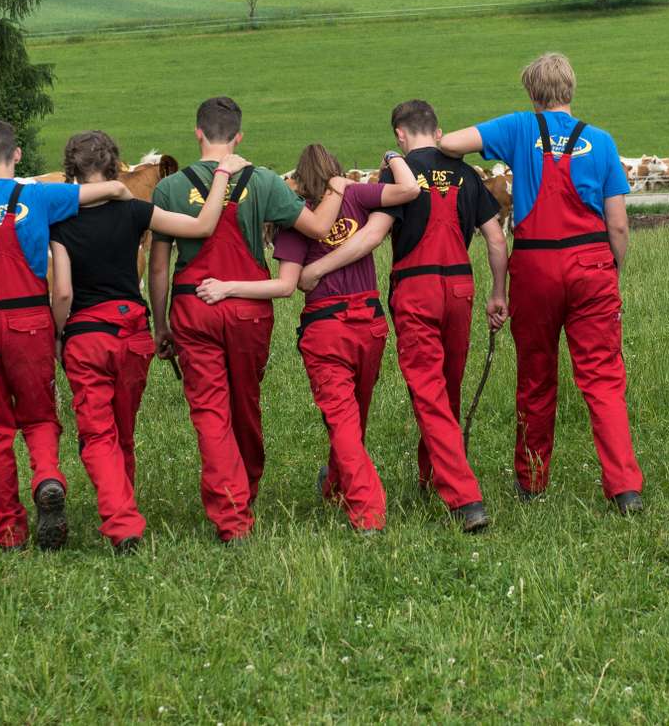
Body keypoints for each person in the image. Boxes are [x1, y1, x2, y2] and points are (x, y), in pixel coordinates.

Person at [437, 53, 644, 514]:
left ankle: (532, 479)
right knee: (603, 379)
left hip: (533, 267)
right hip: (592, 264)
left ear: (532, 94)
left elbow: (452, 143)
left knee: (536, 374)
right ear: (571, 88)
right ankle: (625, 488)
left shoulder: (517, 128)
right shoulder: (603, 142)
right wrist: (613, 271)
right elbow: (619, 225)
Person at [298, 100, 507, 533]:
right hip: (461, 289)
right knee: (447, 388)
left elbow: (372, 237)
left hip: (416, 289)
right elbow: (495, 239)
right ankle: (431, 476)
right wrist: (497, 293)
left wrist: (320, 267)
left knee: (428, 393)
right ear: (438, 129)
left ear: (400, 134)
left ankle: (465, 499)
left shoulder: (397, 174)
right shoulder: (467, 173)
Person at [149, 98, 348, 544]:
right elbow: (317, 228)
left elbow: (159, 267)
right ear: (239, 135)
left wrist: (160, 323)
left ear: (197, 132)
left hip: (193, 305)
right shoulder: (262, 182)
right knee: (245, 403)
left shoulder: (170, 189)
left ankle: (232, 515)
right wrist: (336, 186)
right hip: (248, 310)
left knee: (209, 413)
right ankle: (247, 487)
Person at [195, 143, 419, 533]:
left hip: (326, 327)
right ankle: (336, 487)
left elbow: (287, 287)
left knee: (344, 422)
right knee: (354, 417)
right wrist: (392, 156)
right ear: (334, 171)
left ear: (299, 179)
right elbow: (410, 189)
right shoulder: (356, 194)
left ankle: (367, 512)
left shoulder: (296, 222)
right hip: (369, 322)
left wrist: (230, 288)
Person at [0, 119, 132, 552]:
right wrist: (122, 192)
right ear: (17, 155)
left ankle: (8, 531)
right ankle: (47, 476)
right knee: (39, 414)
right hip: (30, 321)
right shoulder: (40, 196)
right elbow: (105, 192)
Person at [48, 130, 249, 554]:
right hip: (132, 332)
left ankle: (123, 525)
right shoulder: (137, 210)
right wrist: (220, 178)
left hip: (87, 335)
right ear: (115, 163)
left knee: (97, 435)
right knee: (123, 430)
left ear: (71, 170)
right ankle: (124, 503)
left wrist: (58, 334)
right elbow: (202, 225)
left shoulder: (60, 222)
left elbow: (62, 291)